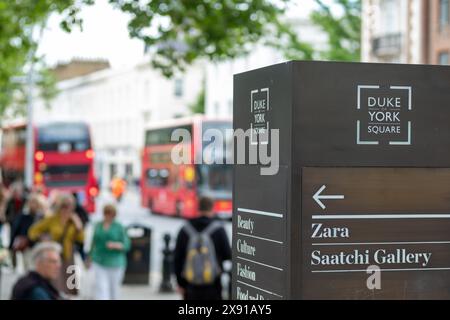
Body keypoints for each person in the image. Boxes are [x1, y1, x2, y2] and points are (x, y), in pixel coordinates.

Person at [174, 196, 231, 300]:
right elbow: (228, 255)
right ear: (212, 208)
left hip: (190, 285)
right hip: (213, 285)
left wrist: (180, 283)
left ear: (198, 208)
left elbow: (177, 258)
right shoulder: (219, 230)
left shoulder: (185, 229)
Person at [28, 193, 84, 296]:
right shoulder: (52, 219)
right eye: (64, 205)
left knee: (69, 285)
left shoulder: (73, 220)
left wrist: (78, 225)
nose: (66, 209)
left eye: (69, 206)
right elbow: (33, 231)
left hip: (68, 255)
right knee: (55, 284)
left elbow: (81, 239)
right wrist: (42, 239)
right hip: (54, 255)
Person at [87, 204, 130, 300]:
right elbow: (93, 242)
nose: (108, 216)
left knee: (114, 289)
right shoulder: (98, 225)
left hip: (115, 262)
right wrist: (89, 257)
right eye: (107, 214)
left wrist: (116, 245)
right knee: (101, 288)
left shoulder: (119, 227)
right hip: (99, 260)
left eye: (111, 215)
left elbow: (126, 244)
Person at [9, 194, 45, 270]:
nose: (33, 205)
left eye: (35, 203)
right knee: (29, 268)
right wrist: (11, 245)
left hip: (38, 245)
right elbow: (16, 230)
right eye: (32, 202)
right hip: (27, 246)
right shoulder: (23, 216)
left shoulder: (41, 217)